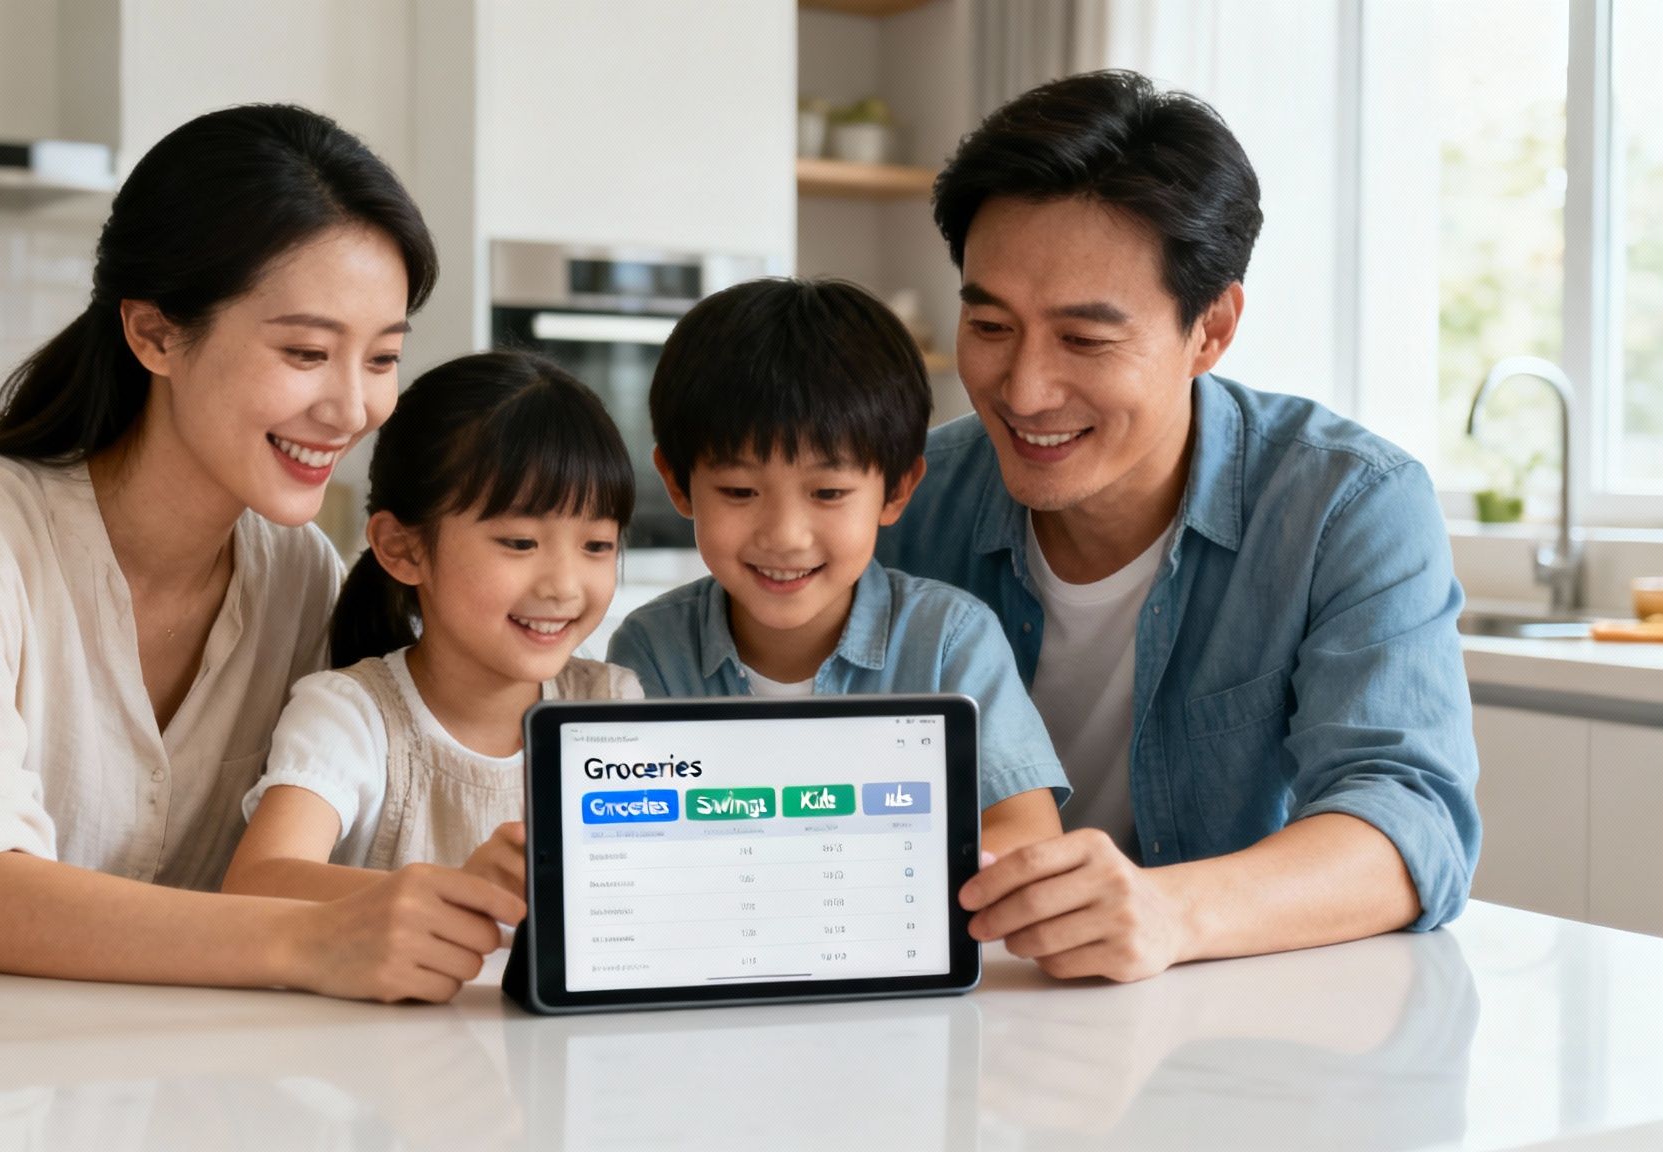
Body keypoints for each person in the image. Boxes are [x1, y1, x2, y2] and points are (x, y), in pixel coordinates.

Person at [0, 104, 523, 1004]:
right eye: (308, 351)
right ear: (155, 333)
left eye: (383, 358)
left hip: (136, 1045)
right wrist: (310, 936)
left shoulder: (297, 571)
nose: (352, 409)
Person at [878, 70, 1480, 982]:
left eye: (1085, 339)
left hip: (1242, 1026)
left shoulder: (1348, 504)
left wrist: (1170, 910)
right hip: (970, 1021)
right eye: (991, 324)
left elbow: (1412, 819)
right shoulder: (904, 504)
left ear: (1212, 329)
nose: (1025, 390)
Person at [609, 277, 1069, 856]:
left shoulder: (949, 640)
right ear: (678, 484)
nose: (784, 536)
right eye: (738, 491)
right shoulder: (652, 650)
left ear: (898, 491)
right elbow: (624, 840)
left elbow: (1028, 833)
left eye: (827, 493)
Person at [222, 350, 642, 902]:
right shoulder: (352, 716)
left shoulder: (609, 704)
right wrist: (460, 891)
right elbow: (258, 882)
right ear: (403, 548)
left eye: (597, 546)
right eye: (520, 542)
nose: (563, 586)